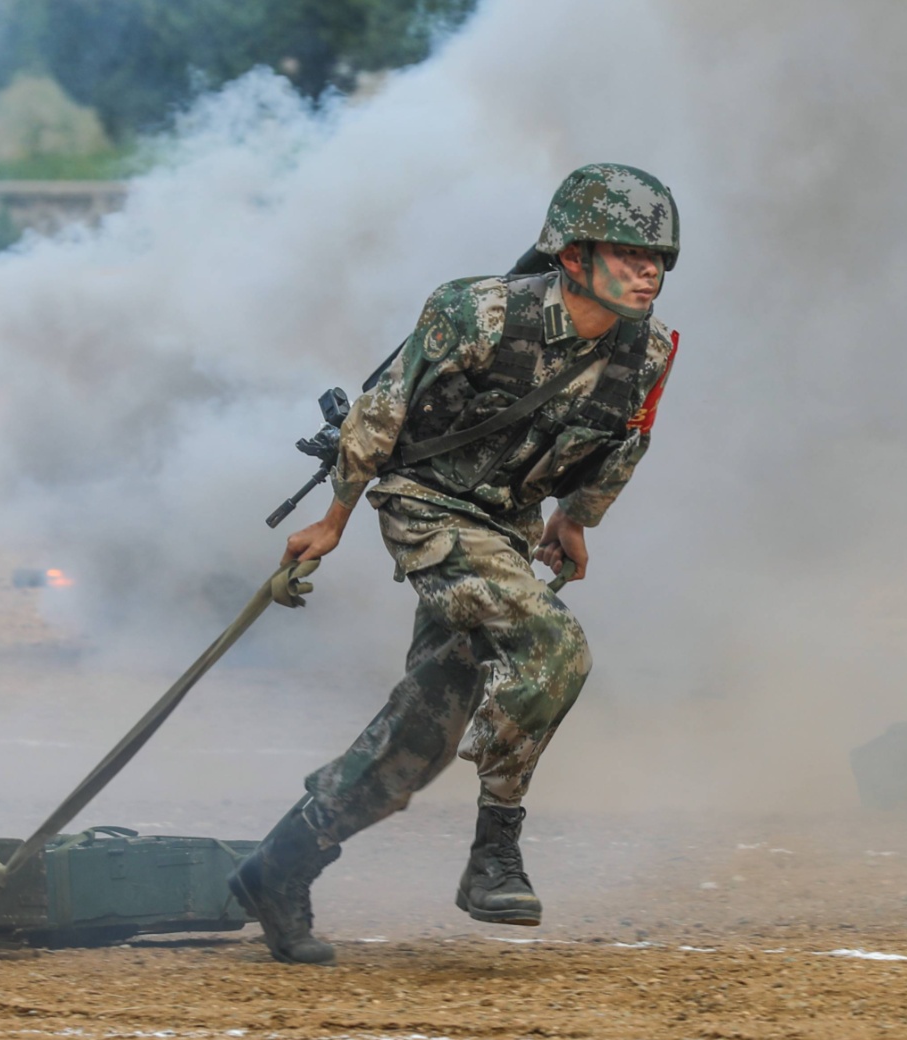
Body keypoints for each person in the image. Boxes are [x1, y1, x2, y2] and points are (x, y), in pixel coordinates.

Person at [229, 164, 683, 963]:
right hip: (425, 507)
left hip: (503, 527)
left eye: (660, 259)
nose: (650, 271)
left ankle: (279, 866)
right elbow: (383, 412)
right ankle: (494, 856)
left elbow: (622, 444)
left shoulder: (644, 354)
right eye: (630, 254)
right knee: (552, 647)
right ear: (573, 257)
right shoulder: (475, 312)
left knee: (423, 736)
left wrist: (574, 520)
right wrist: (331, 522)